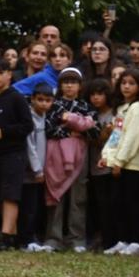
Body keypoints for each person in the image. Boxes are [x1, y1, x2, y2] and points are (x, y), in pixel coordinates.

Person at [0, 58, 34, 250]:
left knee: (10, 195)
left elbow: (28, 125)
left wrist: (3, 132)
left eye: (1, 72)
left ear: (9, 75)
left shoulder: (17, 97)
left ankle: (7, 236)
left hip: (14, 153)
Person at [42, 68, 97, 252]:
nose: (69, 85)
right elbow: (48, 128)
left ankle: (77, 240)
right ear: (60, 85)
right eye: (66, 82)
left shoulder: (86, 107)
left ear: (80, 86)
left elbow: (94, 132)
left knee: (78, 199)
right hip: (55, 157)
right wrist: (75, 128)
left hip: (80, 157)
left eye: (73, 82)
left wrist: (69, 121)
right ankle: (53, 239)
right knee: (55, 196)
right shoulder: (53, 104)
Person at [100, 69, 139, 255]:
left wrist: (119, 161)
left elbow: (132, 138)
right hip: (120, 163)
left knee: (133, 204)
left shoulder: (138, 107)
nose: (126, 86)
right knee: (119, 203)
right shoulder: (122, 108)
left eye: (131, 83)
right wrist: (107, 156)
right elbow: (116, 136)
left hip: (134, 165)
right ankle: (123, 240)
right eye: (123, 83)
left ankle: (137, 241)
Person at [20, 84, 54, 252]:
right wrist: (37, 169)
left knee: (38, 205)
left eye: (48, 100)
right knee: (29, 206)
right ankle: (27, 239)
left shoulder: (47, 117)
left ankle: (35, 237)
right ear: (32, 99)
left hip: (44, 170)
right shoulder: (29, 116)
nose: (43, 104)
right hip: (30, 171)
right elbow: (29, 146)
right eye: (40, 100)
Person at [84, 78, 116, 250]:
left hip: (111, 167)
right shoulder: (90, 115)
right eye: (93, 94)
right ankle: (100, 238)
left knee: (110, 205)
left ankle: (111, 240)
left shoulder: (115, 113)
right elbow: (94, 140)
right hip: (94, 166)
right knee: (98, 205)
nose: (96, 98)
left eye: (100, 94)